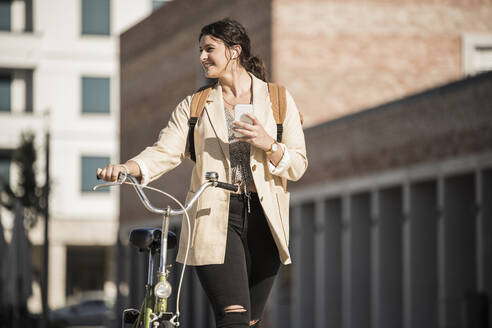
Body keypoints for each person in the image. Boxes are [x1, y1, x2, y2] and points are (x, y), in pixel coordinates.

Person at [97, 18, 307, 328]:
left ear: (234, 51)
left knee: (251, 322)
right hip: (215, 219)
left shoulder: (277, 100)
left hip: (267, 221)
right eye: (201, 50)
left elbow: (299, 163)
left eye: (209, 49)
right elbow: (164, 151)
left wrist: (269, 144)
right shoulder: (194, 106)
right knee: (233, 317)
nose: (202, 57)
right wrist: (128, 168)